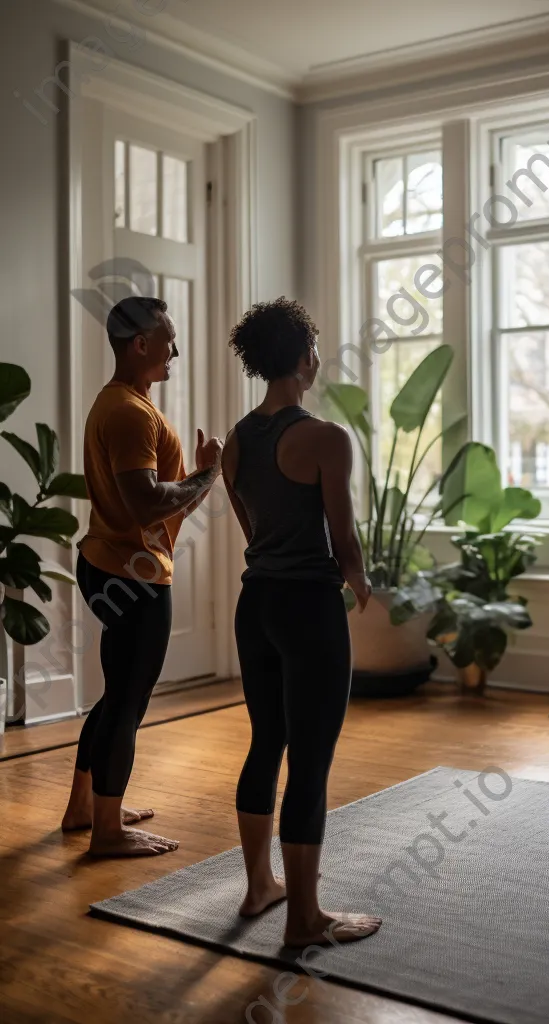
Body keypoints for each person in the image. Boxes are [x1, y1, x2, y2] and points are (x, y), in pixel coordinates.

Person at [222, 297, 381, 948]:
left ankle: (262, 886)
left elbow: (252, 533)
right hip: (308, 610)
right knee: (310, 762)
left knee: (267, 743)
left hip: (255, 603)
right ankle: (305, 920)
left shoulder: (235, 441)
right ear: (302, 357)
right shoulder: (324, 438)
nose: (317, 359)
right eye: (314, 348)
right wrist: (361, 581)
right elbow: (341, 538)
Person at [61, 296, 223, 856]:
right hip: (131, 576)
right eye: (168, 338)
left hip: (121, 565)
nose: (175, 349)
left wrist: (201, 479)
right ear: (141, 344)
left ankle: (87, 806)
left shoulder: (127, 403)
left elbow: (161, 508)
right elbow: (146, 503)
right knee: (129, 702)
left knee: (117, 696)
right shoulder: (129, 413)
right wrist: (207, 473)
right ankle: (107, 831)